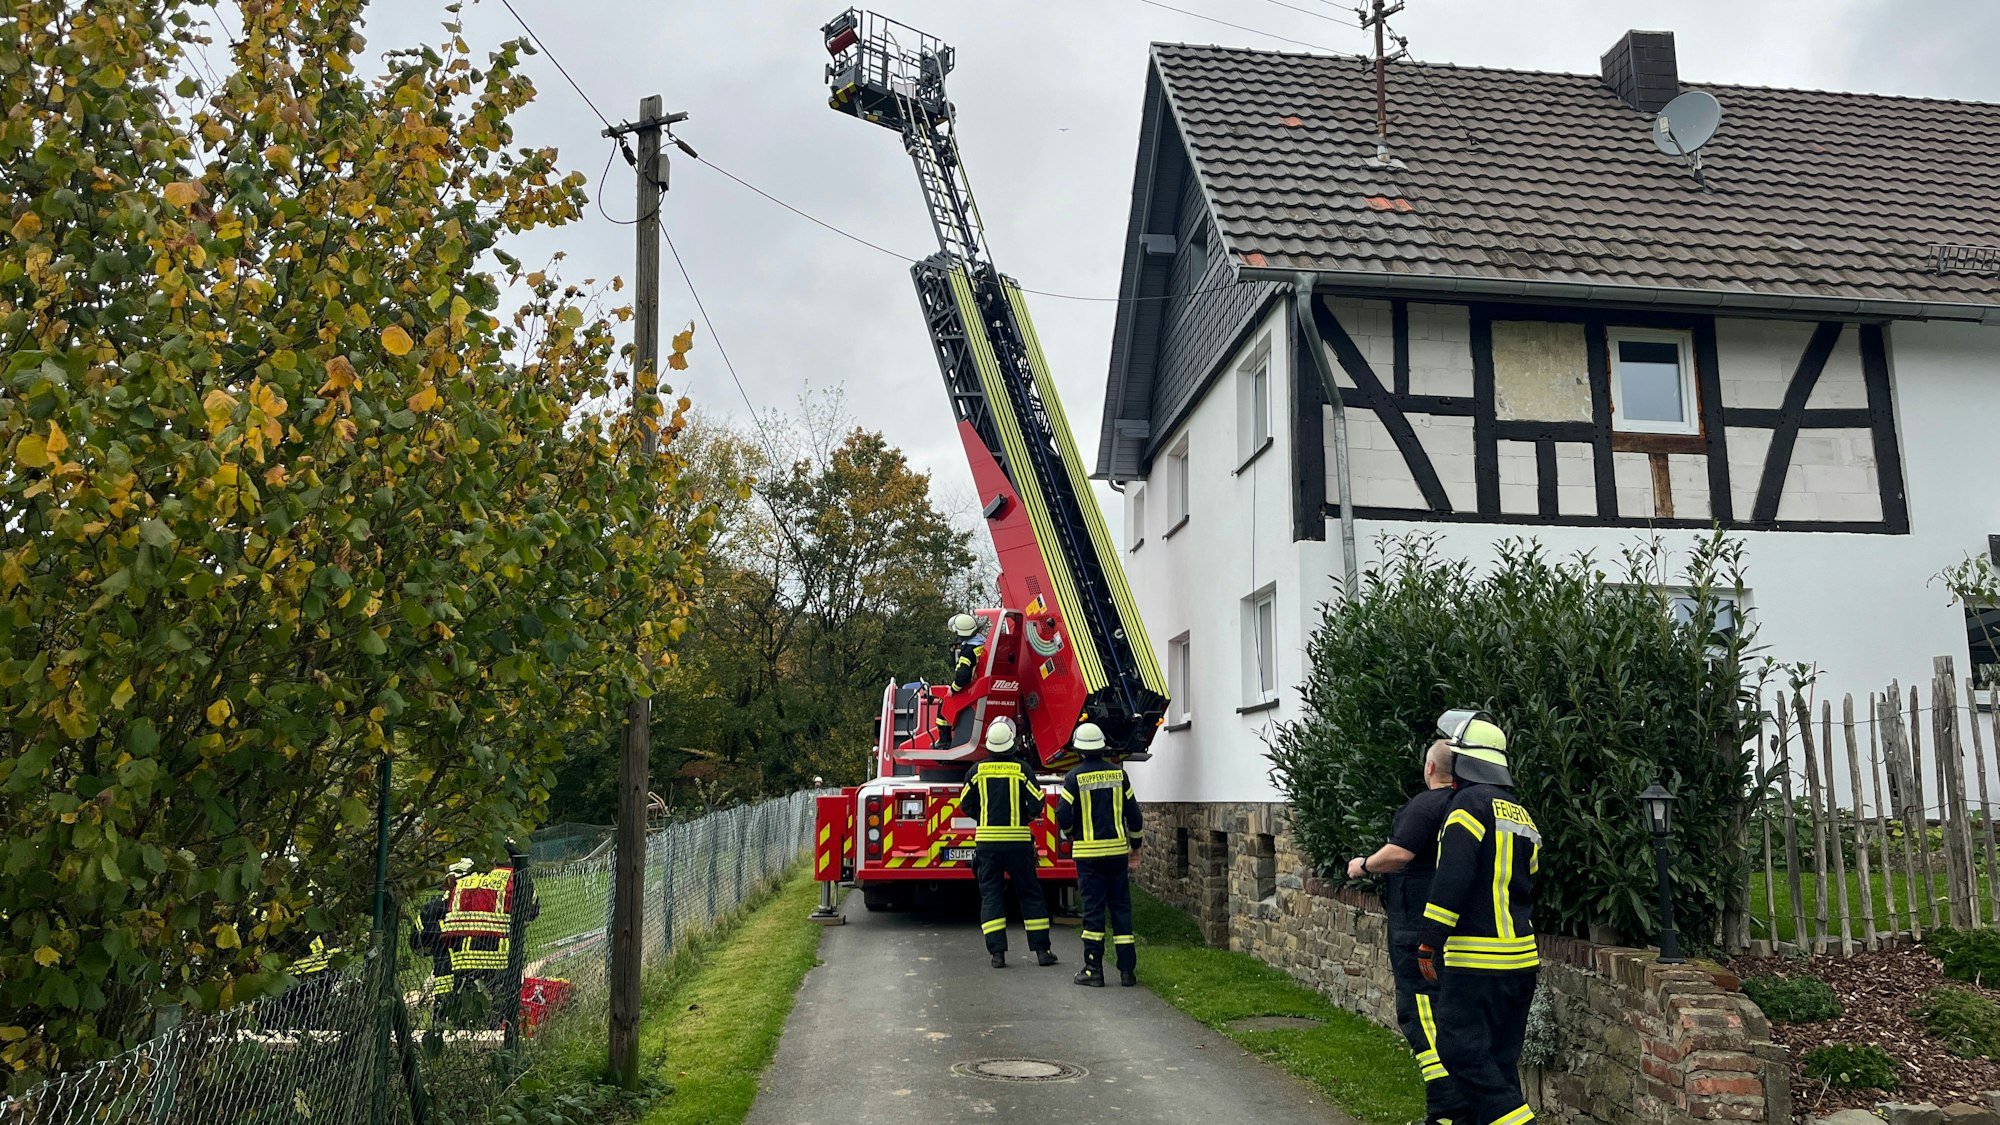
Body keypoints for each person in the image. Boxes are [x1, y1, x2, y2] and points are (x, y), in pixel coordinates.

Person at [1417, 709, 1542, 1125]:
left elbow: (1452, 879)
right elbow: (1530, 880)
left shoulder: (1467, 805)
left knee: (1458, 1050)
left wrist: (1429, 940)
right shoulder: (1520, 813)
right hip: (1521, 960)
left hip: (1475, 960)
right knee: (1500, 1063)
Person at [1348, 740, 1464, 1124]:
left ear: (1431, 768)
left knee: (1421, 1019)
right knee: (1451, 1018)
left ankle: (1446, 1112)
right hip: (1453, 929)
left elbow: (1399, 854)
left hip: (1416, 929)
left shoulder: (1426, 806)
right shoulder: (1469, 805)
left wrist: (1363, 865)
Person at [956, 717, 1057, 968]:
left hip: (987, 845)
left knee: (991, 896)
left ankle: (997, 954)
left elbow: (965, 804)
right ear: (1011, 744)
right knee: (1030, 895)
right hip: (1018, 844)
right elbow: (1037, 802)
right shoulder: (1023, 770)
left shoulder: (976, 771)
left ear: (990, 745)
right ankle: (1042, 951)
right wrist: (1023, 818)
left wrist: (984, 817)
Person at [1054, 722, 1143, 988]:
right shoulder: (1119, 775)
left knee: (1093, 912)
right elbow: (1134, 816)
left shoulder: (1073, 778)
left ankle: (1094, 969)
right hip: (1117, 854)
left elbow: (1063, 815)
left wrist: (1071, 833)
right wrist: (1135, 847)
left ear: (1079, 750)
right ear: (1102, 747)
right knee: (1121, 909)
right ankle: (1127, 971)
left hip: (1089, 857)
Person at [441, 842, 541, 1026]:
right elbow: (533, 910)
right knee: (502, 1000)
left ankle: (463, 1030)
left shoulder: (465, 879)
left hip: (462, 955)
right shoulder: (514, 878)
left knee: (464, 999)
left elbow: (445, 908)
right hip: (499, 955)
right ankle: (498, 1031)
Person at [935, 613, 986, 749]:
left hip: (970, 690)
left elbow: (963, 676)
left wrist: (953, 689)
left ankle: (944, 741)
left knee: (944, 701)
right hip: (979, 687)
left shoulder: (968, 651)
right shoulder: (981, 643)